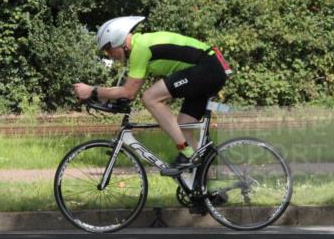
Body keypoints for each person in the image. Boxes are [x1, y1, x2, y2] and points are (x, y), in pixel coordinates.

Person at [72, 16, 230, 176]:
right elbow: (127, 92)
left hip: (207, 67)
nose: (109, 54)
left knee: (150, 98)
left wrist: (92, 90)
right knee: (184, 126)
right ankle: (208, 188)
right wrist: (98, 96)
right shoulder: (139, 48)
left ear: (118, 40)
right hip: (209, 68)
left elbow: (128, 92)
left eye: (108, 49)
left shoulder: (140, 49)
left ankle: (186, 153)